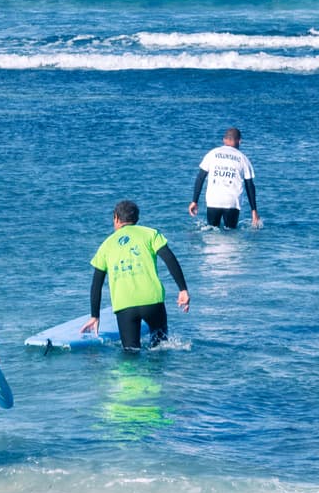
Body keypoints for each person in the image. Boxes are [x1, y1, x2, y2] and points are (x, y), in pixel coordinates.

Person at [83, 201, 190, 351]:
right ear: (137, 218)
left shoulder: (106, 245)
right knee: (160, 348)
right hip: (152, 301)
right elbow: (170, 259)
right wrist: (183, 289)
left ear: (116, 218)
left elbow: (97, 283)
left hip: (124, 305)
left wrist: (95, 316)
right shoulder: (150, 234)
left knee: (130, 353)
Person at [189, 127, 261, 229]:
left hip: (214, 200)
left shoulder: (212, 154)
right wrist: (254, 210)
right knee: (231, 233)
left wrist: (194, 201)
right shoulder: (243, 158)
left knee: (211, 231)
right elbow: (249, 185)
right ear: (239, 141)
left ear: (224, 140)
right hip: (232, 202)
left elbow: (200, 178)